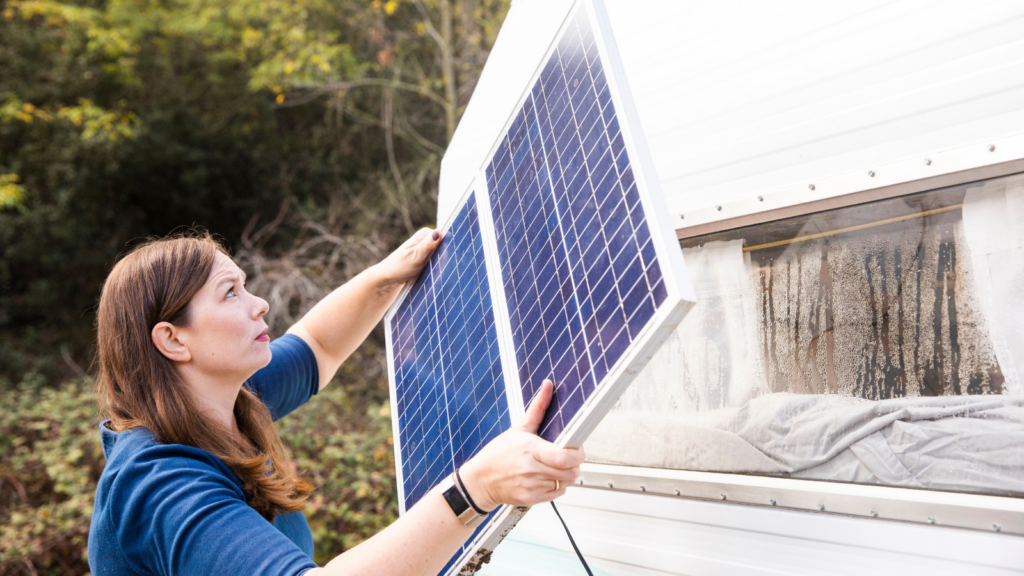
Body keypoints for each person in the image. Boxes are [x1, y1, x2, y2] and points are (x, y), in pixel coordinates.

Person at [88, 229, 585, 576]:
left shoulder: (221, 400)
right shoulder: (160, 485)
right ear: (174, 341)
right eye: (230, 292)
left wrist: (385, 278)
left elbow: (319, 345)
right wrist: (475, 489)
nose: (258, 303)